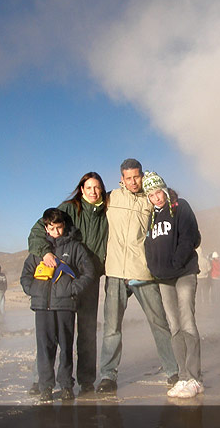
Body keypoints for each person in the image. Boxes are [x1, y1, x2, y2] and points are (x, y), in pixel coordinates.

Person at [96, 159, 178, 393]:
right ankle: (108, 376)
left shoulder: (150, 199)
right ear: (121, 178)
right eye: (128, 178)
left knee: (159, 323)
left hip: (143, 270)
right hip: (114, 273)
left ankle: (173, 371)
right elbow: (83, 210)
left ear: (142, 175)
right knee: (112, 328)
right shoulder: (111, 198)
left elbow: (170, 216)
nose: (132, 182)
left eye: (136, 177)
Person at [27, 172, 108, 396]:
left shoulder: (108, 209)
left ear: (102, 189)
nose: (93, 191)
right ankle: (41, 379)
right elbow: (38, 230)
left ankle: (86, 379)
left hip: (89, 279)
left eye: (97, 187)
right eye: (88, 187)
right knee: (54, 334)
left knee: (87, 331)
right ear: (81, 189)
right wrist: (44, 253)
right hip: (65, 283)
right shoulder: (69, 208)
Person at [21, 208, 95, 402]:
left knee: (66, 347)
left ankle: (66, 385)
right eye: (51, 228)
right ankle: (45, 386)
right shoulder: (38, 251)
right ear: (45, 228)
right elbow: (26, 275)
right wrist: (33, 290)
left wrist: (72, 289)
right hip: (42, 307)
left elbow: (88, 272)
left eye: (59, 227)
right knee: (45, 347)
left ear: (64, 226)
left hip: (65, 306)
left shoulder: (75, 248)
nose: (55, 232)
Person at [143, 171, 204, 398]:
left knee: (187, 322)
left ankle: (195, 378)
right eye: (151, 194)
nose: (156, 198)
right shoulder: (152, 217)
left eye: (158, 192)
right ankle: (182, 376)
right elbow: (149, 246)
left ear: (165, 189)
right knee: (174, 326)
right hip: (163, 278)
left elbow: (189, 237)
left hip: (184, 273)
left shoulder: (180, 207)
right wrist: (154, 268)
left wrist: (175, 262)